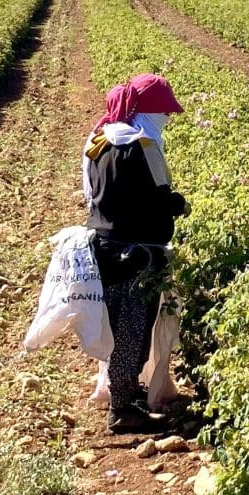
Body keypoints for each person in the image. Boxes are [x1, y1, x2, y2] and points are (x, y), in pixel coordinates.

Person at [83, 74, 187, 434]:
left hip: (103, 247)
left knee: (115, 326)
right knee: (133, 330)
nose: (166, 119)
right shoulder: (144, 146)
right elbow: (163, 198)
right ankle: (123, 409)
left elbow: (91, 194)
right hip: (137, 254)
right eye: (163, 112)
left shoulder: (98, 141)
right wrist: (179, 204)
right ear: (147, 112)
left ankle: (124, 392)